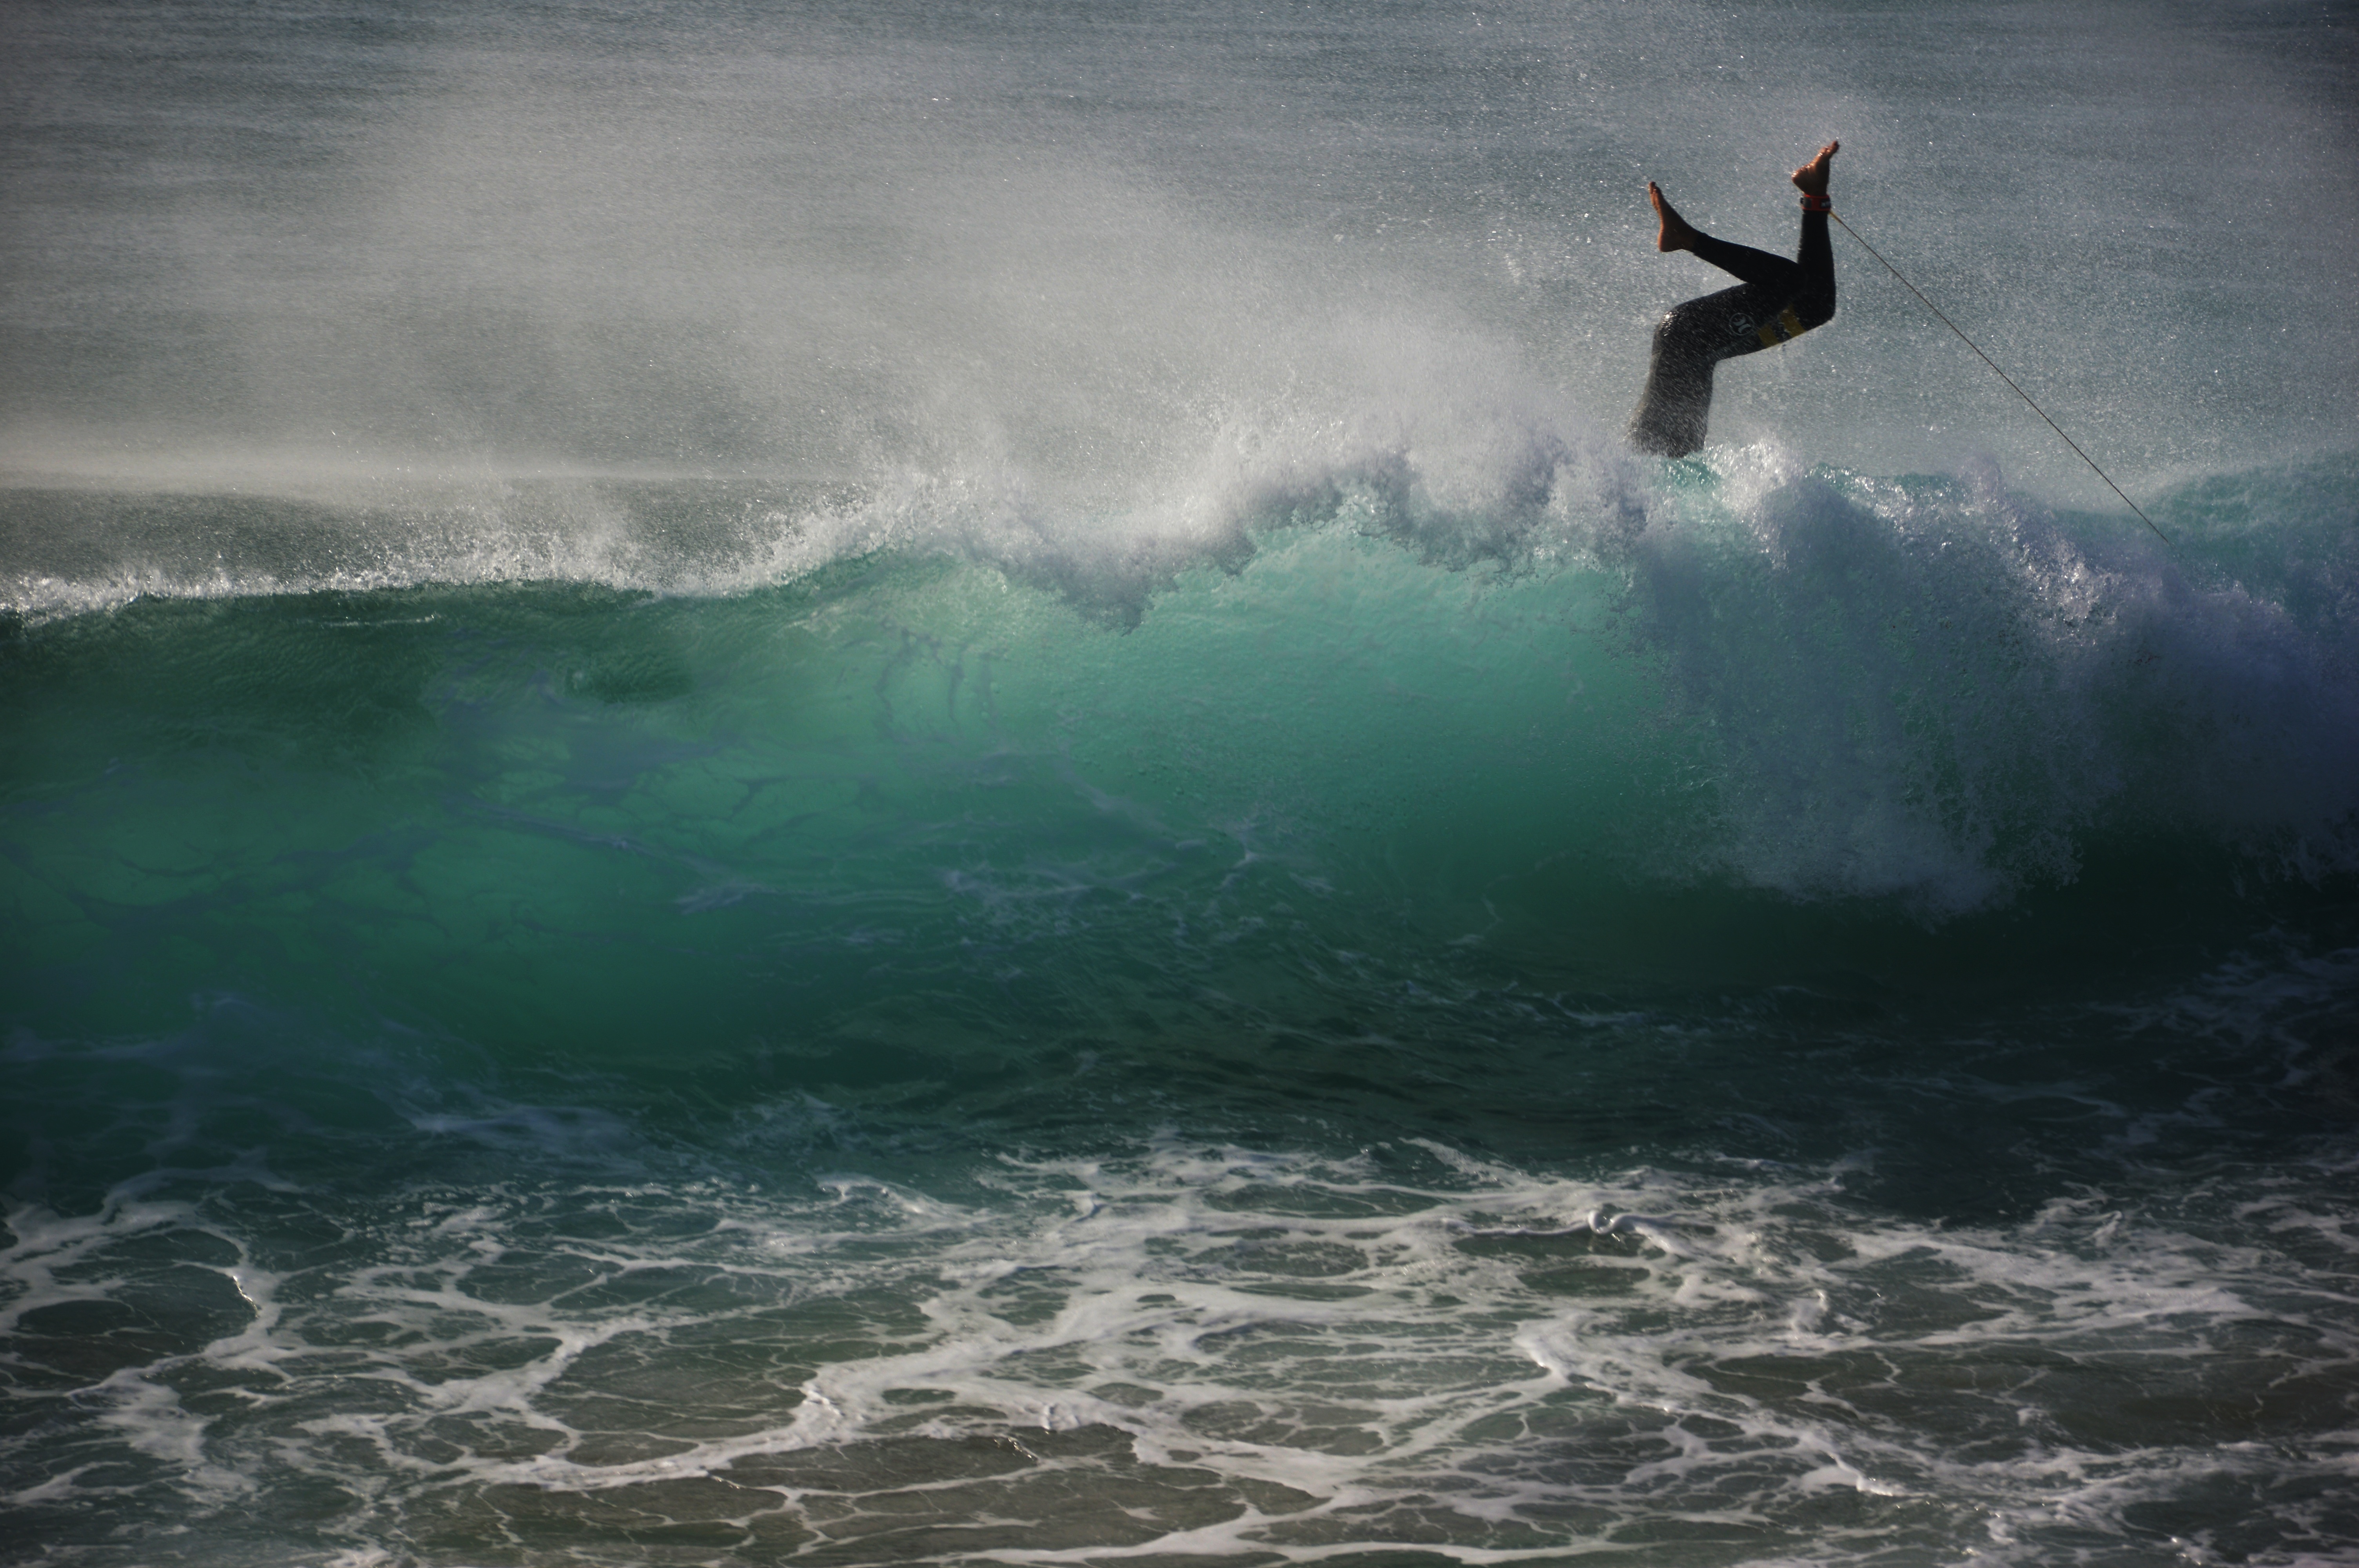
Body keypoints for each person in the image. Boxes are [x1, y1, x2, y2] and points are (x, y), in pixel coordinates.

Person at [1627, 140, 1839, 457]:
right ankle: (1813, 193)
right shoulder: (1670, 472)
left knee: (1788, 282)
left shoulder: (1644, 465)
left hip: (1685, 338)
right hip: (1701, 351)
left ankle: (1686, 238)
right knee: (1816, 305)